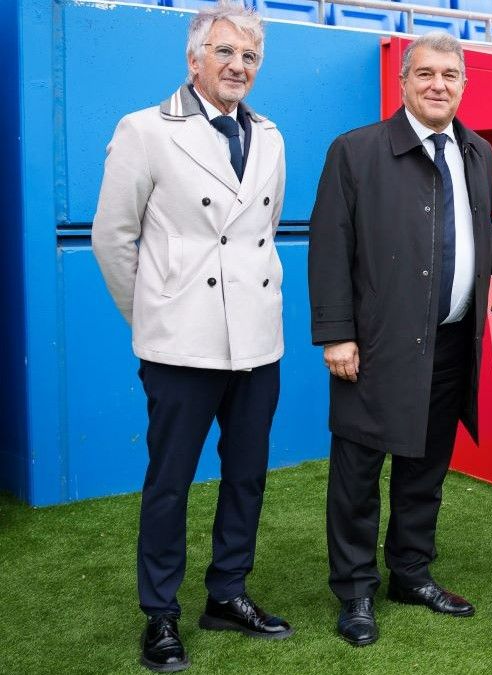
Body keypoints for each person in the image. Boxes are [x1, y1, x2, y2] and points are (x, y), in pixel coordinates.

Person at [308, 31, 492, 647]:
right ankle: (355, 592)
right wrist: (336, 335)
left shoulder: (477, 151)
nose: (439, 85)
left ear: (463, 85)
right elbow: (330, 246)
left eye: (450, 76)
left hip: (453, 343)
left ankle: (410, 572)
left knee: (425, 468)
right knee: (358, 473)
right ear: (404, 82)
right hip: (374, 346)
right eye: (426, 74)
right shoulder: (355, 151)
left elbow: (473, 223)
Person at [92, 2, 291, 671]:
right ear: (194, 58)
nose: (239, 66)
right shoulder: (145, 129)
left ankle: (227, 593)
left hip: (258, 342)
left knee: (247, 476)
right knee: (170, 482)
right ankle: (161, 614)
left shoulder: (271, 136)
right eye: (227, 52)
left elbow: (260, 237)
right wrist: (155, 313)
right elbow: (113, 239)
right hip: (180, 343)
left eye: (250, 57)